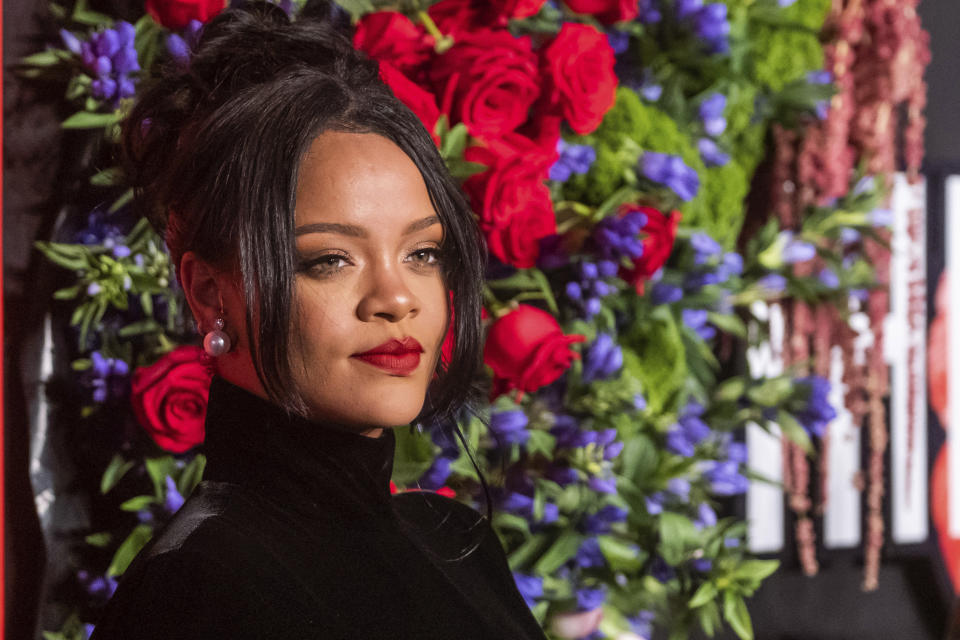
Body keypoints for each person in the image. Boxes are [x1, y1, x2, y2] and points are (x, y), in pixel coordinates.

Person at [89, 2, 548, 638]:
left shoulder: (458, 542)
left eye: (422, 253)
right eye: (330, 259)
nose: (396, 297)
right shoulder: (199, 589)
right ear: (209, 294)